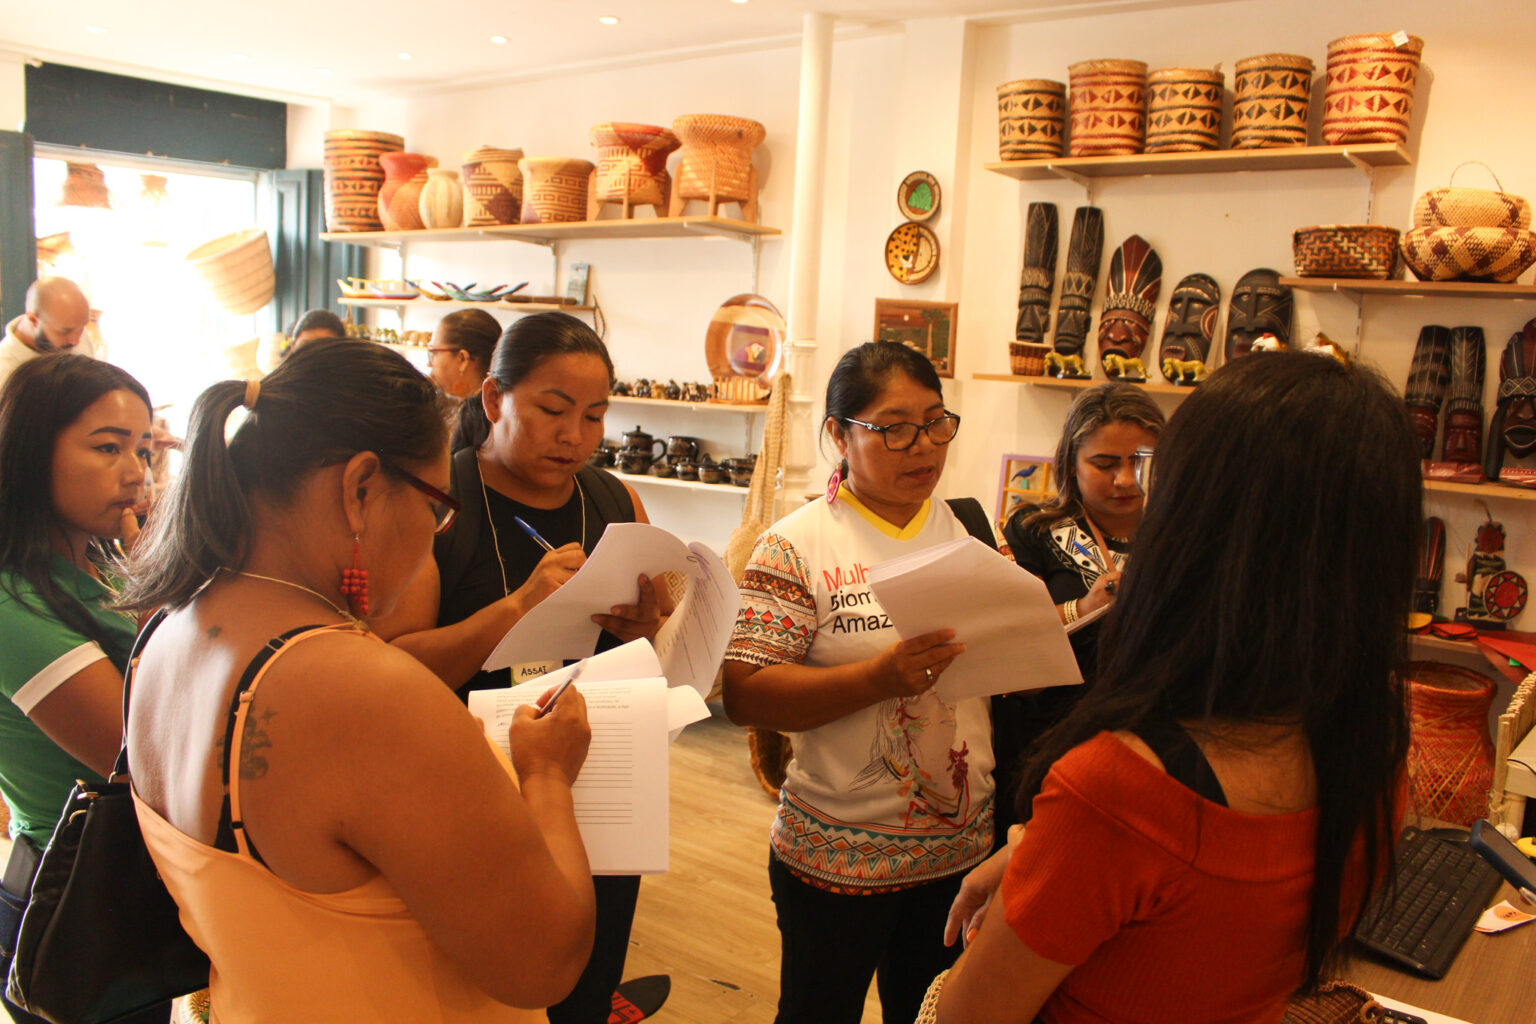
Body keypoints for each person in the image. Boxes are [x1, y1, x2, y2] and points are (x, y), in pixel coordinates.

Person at [118, 340, 596, 1021]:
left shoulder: (166, 631)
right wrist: (547, 777)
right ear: (360, 488)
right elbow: (543, 964)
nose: (433, 537)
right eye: (436, 508)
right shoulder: (355, 687)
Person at [933, 352, 1417, 1023]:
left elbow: (967, 1015)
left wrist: (1034, 880)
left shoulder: (1115, 791)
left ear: (1194, 527)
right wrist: (1037, 855)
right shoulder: (1377, 744)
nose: (1133, 486)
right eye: (1110, 464)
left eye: (1156, 472)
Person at [379, 311, 660, 1024]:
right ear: (495, 399)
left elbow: (647, 645)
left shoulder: (616, 501)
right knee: (494, 989)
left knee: (588, 979)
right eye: (553, 410)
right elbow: (392, 665)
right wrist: (518, 605)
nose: (576, 436)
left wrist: (648, 625)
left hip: (601, 781)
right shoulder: (442, 503)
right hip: (474, 793)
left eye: (595, 417)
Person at [721, 341, 996, 1024]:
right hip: (839, 861)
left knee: (930, 1012)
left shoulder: (963, 528)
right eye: (894, 427)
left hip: (961, 852)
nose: (923, 446)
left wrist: (1080, 611)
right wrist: (879, 677)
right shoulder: (798, 545)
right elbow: (745, 693)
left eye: (936, 422)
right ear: (839, 434)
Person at [0, 353, 165, 1024]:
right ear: (33, 452)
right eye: (108, 448)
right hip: (71, 895)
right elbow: (141, 755)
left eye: (145, 450)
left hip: (125, 886)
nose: (135, 472)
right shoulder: (14, 604)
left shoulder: (100, 558)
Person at [994, 382, 1163, 834]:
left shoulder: (1182, 537)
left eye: (1142, 462)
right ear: (1070, 462)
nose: (1125, 480)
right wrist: (1084, 607)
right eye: (1105, 464)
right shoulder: (1031, 529)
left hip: (1153, 745)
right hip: (1047, 742)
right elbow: (1007, 638)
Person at [0, 278, 94, 389]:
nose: (76, 340)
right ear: (33, 320)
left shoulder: (75, 330)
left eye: (82, 327)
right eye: (65, 331)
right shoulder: (4, 374)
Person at [428, 307, 500, 400]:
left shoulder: (481, 412)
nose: (430, 364)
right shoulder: (497, 405)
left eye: (433, 354)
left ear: (463, 359)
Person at [282, 307, 348, 357]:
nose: (312, 353)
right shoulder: (282, 374)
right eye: (305, 346)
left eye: (324, 348)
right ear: (292, 347)